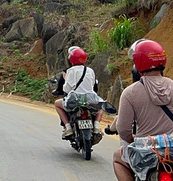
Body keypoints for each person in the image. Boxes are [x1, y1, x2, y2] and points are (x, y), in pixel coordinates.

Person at [113, 40, 173, 181]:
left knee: (117, 158)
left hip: (146, 152)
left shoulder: (130, 93)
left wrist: (136, 140)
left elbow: (123, 130)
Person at [54, 46, 104, 139]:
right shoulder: (90, 70)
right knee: (101, 105)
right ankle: (96, 127)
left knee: (57, 104)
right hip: (90, 98)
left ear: (71, 60)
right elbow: (93, 85)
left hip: (75, 100)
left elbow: (66, 89)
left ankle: (68, 128)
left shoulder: (70, 71)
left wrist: (65, 79)